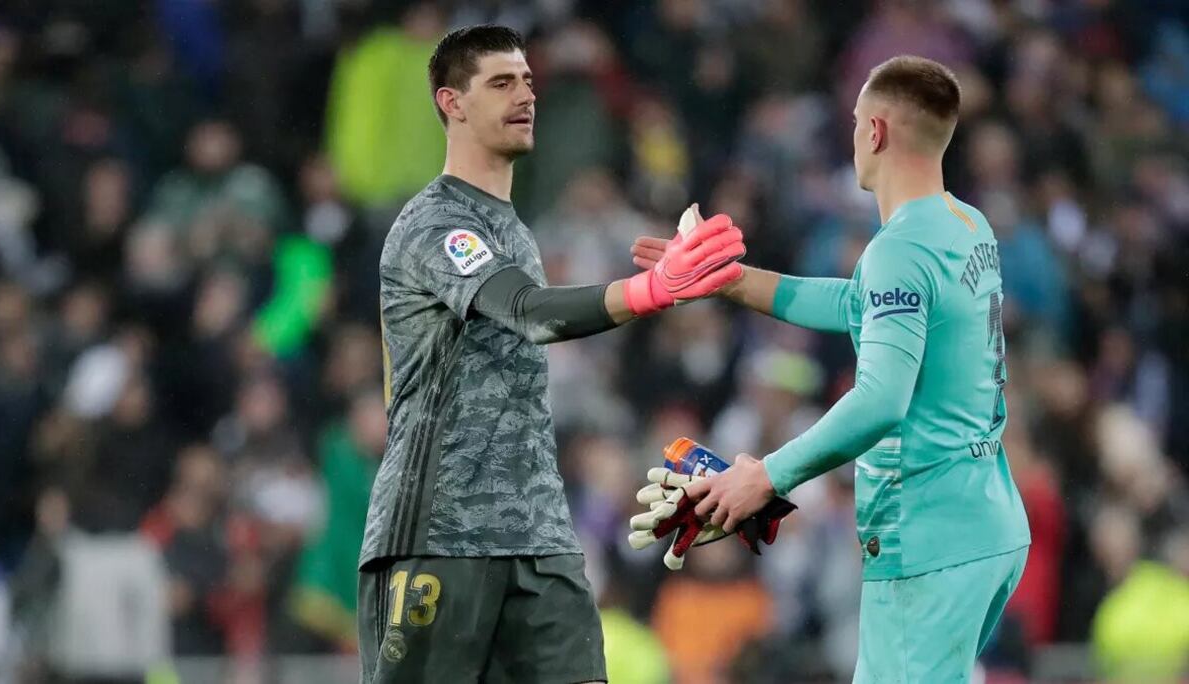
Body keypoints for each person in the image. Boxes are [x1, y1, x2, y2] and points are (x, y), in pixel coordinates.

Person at [359, 24, 746, 684]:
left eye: (530, 82)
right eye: (502, 83)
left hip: (538, 535)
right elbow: (530, 314)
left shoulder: (512, 230)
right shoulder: (436, 223)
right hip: (442, 532)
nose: (526, 95)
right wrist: (651, 290)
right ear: (451, 103)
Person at [632, 55, 1031, 682]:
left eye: (853, 123)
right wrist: (731, 282)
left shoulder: (899, 250)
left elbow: (880, 401)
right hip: (985, 526)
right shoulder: (965, 225)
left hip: (925, 537)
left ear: (874, 132)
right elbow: (858, 303)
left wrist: (767, 476)